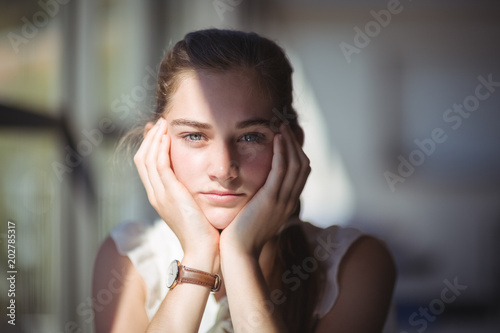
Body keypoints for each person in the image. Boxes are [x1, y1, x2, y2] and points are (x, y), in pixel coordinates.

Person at [92, 29, 396, 333]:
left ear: (292, 144)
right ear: (156, 146)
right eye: (195, 136)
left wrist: (239, 255)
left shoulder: (356, 265)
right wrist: (200, 254)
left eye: (251, 136)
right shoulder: (128, 258)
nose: (224, 169)